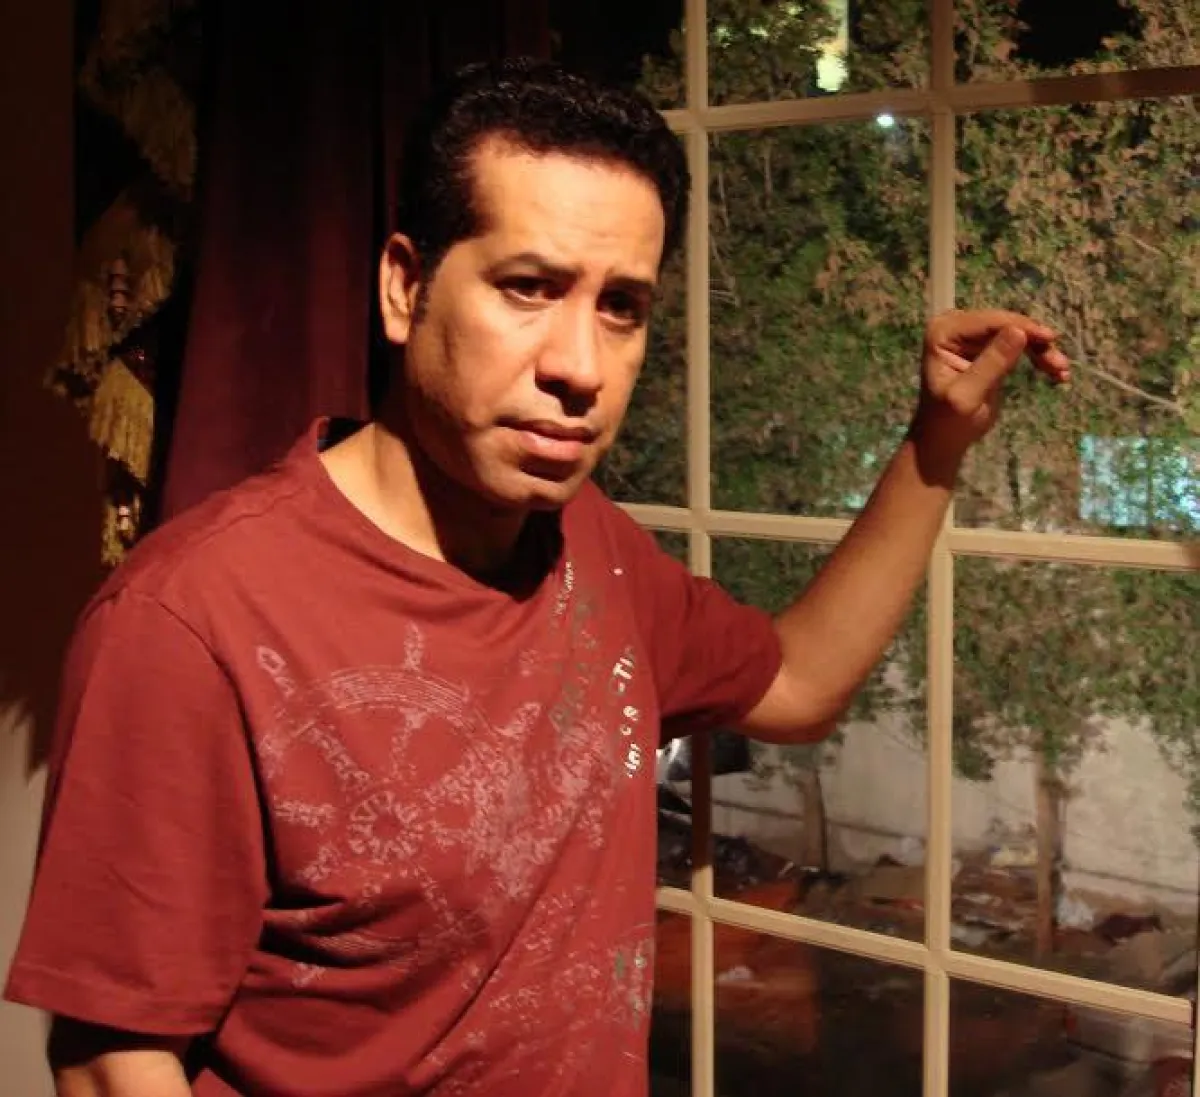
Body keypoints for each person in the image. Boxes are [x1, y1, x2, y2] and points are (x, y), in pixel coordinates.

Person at [5, 57, 1070, 1097]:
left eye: (621, 306)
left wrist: (937, 440)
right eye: (528, 287)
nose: (580, 366)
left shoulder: (587, 545)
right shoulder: (192, 620)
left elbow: (797, 682)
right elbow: (110, 1061)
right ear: (404, 287)